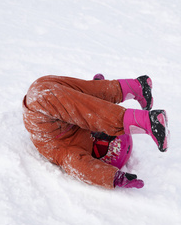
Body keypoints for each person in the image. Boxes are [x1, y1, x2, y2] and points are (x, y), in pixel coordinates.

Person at [22, 74, 169, 190]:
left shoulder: (70, 151)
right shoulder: (81, 137)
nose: (99, 135)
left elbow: (82, 168)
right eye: (107, 136)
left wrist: (113, 177)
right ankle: (138, 88)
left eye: (104, 143)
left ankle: (146, 117)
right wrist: (98, 82)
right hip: (43, 92)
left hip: (40, 110)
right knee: (90, 96)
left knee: (91, 112)